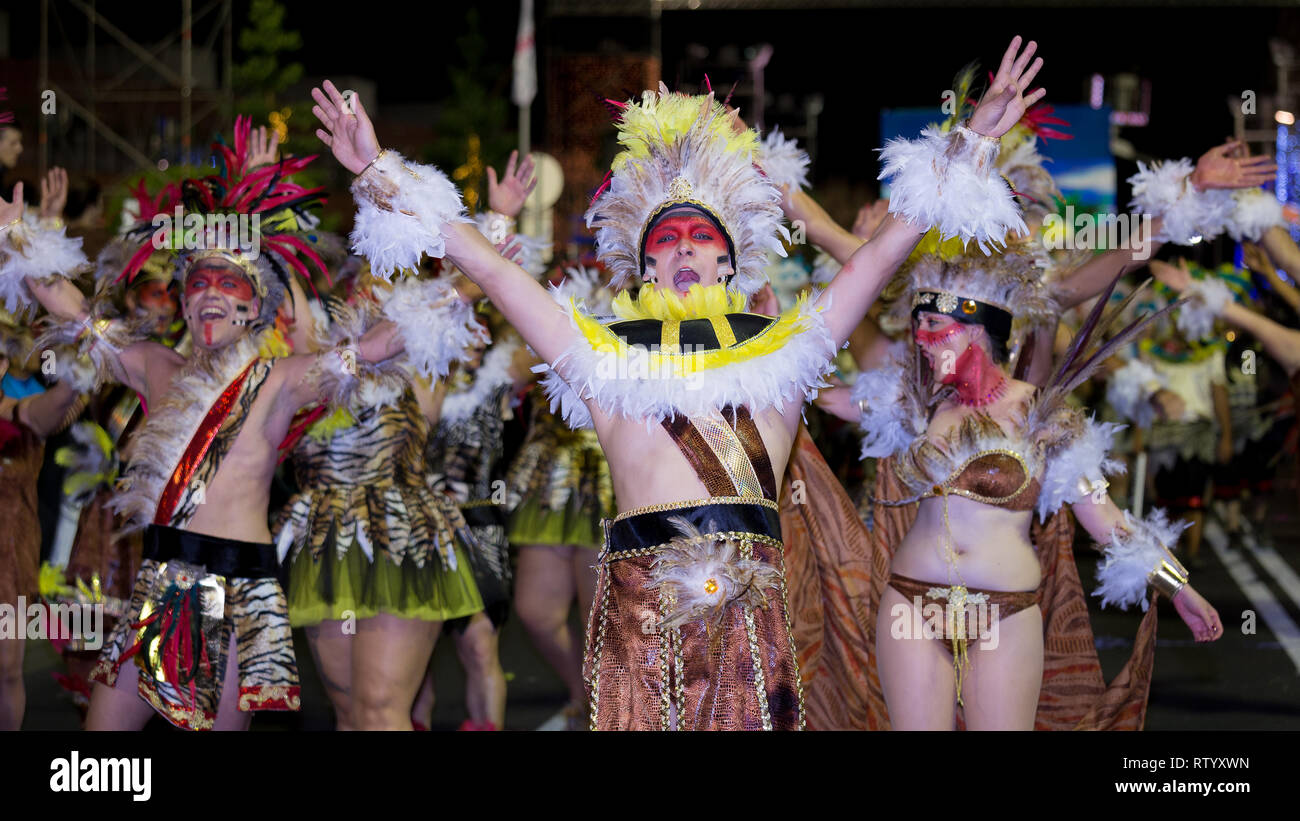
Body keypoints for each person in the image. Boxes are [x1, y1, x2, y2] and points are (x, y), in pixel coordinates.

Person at [312, 34, 1042, 729]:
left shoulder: (784, 356)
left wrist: (971, 141)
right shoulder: (601, 360)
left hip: (749, 621)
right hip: (638, 616)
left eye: (703, 236)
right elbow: (496, 271)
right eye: (666, 238)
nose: (686, 247)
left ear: (730, 263)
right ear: (644, 266)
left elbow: (878, 260)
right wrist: (379, 171)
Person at [6, 117, 478, 731]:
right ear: (181, 301)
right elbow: (73, 312)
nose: (210, 295)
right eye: (197, 283)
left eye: (228, 285)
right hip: (158, 582)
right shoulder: (155, 367)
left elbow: (375, 347)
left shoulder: (281, 380)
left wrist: (468, 284)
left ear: (255, 308)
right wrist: (18, 239)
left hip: (236, 589)